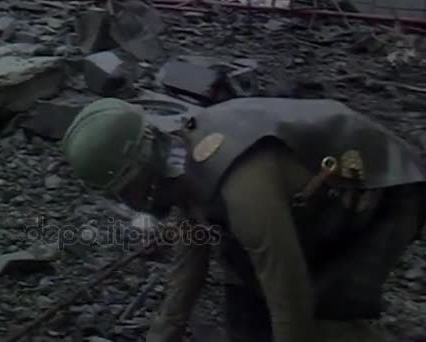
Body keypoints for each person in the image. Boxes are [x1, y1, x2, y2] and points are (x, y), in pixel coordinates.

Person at [60, 97, 426, 342]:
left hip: (386, 190)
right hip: (314, 207)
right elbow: (189, 263)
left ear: (146, 169)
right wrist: (162, 333)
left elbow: (289, 293)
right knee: (246, 307)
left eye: (128, 190)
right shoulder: (182, 171)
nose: (129, 203)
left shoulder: (242, 188)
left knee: (323, 322)